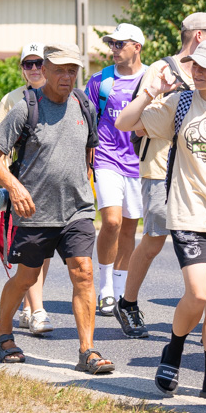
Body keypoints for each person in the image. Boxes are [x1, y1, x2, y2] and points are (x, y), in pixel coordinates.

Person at [116, 38, 206, 401]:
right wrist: (150, 93)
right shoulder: (180, 102)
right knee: (199, 292)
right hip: (187, 214)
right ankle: (173, 348)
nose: (199, 71)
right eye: (195, 65)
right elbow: (124, 122)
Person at [0, 43, 115, 374]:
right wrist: (13, 187)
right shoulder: (26, 108)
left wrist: (83, 188)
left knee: (83, 272)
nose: (67, 77)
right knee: (26, 277)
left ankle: (87, 351)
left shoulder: (84, 104)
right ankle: (3, 333)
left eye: (73, 70)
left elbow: (89, 153)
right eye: (61, 70)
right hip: (34, 213)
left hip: (77, 210)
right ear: (46, 70)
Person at [113, 12, 206, 339]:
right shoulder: (162, 69)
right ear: (201, 37)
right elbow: (139, 117)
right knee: (154, 240)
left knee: (200, 241)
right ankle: (128, 302)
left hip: (199, 172)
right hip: (161, 169)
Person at [85, 23, 147, 316]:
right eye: (112, 43)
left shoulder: (151, 79)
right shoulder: (100, 80)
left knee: (130, 226)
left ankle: (121, 289)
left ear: (137, 46)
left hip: (139, 162)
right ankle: (106, 286)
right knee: (111, 222)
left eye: (120, 44)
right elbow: (85, 119)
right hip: (106, 158)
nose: (114, 49)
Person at [0, 42, 54, 335]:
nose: (33, 69)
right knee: (32, 247)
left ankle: (30, 306)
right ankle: (37, 308)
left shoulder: (59, 95)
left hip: (53, 184)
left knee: (46, 253)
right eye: (27, 64)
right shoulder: (12, 99)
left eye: (38, 62)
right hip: (23, 182)